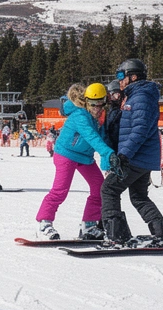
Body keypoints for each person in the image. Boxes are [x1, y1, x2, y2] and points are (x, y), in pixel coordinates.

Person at [100, 59, 163, 247]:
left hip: (136, 156)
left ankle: (116, 236)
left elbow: (139, 129)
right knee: (138, 196)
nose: (119, 81)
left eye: (120, 76)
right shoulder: (137, 95)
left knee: (109, 189)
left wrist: (124, 155)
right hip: (141, 156)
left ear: (132, 77)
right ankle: (161, 234)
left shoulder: (141, 97)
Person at [35, 83, 117, 241]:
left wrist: (109, 160)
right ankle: (43, 223)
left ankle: (89, 225)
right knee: (60, 191)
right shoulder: (80, 115)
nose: (97, 108)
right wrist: (107, 153)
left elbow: (103, 137)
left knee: (99, 188)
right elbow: (91, 136)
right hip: (66, 153)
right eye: (94, 105)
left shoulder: (99, 115)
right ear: (86, 101)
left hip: (84, 156)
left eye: (101, 104)